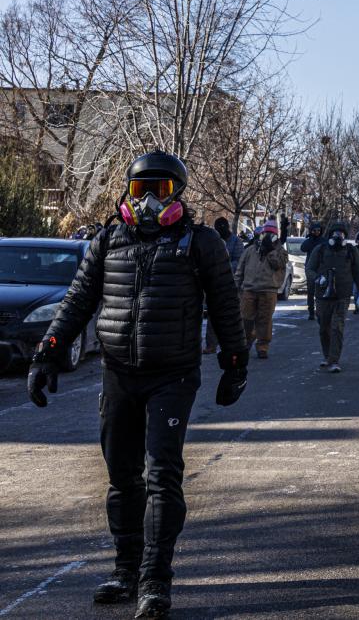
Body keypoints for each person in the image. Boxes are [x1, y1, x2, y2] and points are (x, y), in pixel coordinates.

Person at [28, 151, 248, 619]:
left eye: (160, 190)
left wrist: (235, 363)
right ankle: (125, 569)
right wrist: (47, 352)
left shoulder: (199, 243)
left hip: (173, 375)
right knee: (121, 475)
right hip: (118, 373)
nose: (149, 200)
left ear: (178, 195)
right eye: (140, 189)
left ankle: (154, 580)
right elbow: (78, 300)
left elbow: (225, 305)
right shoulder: (109, 240)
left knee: (162, 475)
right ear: (127, 193)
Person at [306, 221, 359, 373]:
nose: (338, 237)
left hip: (342, 295)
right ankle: (327, 356)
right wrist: (317, 278)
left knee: (337, 327)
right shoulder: (320, 250)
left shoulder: (351, 251)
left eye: (341, 234)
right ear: (330, 236)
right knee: (324, 328)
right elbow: (309, 268)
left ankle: (334, 360)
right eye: (335, 234)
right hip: (322, 296)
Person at [237, 220, 289, 359]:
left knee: (264, 320)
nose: (267, 236)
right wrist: (236, 287)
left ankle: (262, 347)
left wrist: (270, 250)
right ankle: (246, 343)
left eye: (271, 234)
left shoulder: (280, 251)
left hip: (268, 290)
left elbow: (278, 265)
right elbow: (240, 269)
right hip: (249, 289)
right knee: (245, 319)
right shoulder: (250, 250)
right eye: (266, 233)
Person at [201, 217, 244, 354]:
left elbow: (239, 261)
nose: (221, 230)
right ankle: (211, 345)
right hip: (214, 284)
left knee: (231, 316)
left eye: (222, 227)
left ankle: (232, 346)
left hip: (231, 284)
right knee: (213, 316)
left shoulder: (236, 242)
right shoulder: (213, 241)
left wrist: (222, 267)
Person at [301, 221, 325, 319]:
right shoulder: (309, 240)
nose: (317, 232)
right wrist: (310, 239)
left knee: (320, 290)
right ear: (311, 231)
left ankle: (320, 310)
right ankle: (311, 311)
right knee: (310, 291)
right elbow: (303, 248)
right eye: (315, 230)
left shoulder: (323, 240)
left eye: (318, 230)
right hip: (311, 268)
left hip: (321, 268)